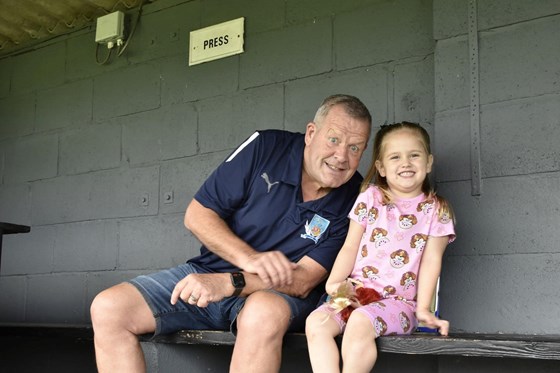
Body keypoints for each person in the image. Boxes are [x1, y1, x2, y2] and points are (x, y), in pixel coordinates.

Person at [90, 94, 372, 372]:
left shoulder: (356, 198)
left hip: (274, 295)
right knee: (109, 308)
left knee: (262, 313)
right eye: (333, 140)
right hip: (208, 274)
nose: (341, 156)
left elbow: (302, 282)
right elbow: (197, 215)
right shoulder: (266, 146)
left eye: (355, 148)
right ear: (311, 133)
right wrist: (247, 259)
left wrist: (231, 282)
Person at [305, 122, 456, 372]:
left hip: (400, 303)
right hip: (356, 292)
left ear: (428, 163)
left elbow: (431, 262)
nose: (405, 163)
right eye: (395, 157)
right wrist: (334, 283)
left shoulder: (436, 210)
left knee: (361, 322)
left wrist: (423, 310)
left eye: (414, 155)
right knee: (316, 322)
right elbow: (350, 246)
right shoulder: (371, 198)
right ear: (381, 167)